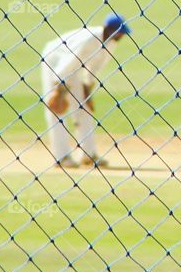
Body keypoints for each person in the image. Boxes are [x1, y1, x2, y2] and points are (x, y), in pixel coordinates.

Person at [40, 13, 130, 168]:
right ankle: (61, 157)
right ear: (109, 29)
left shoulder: (111, 42)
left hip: (72, 67)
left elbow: (94, 68)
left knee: (84, 107)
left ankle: (88, 154)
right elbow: (69, 61)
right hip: (54, 62)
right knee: (57, 110)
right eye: (120, 32)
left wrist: (87, 91)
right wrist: (59, 89)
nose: (122, 36)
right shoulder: (89, 38)